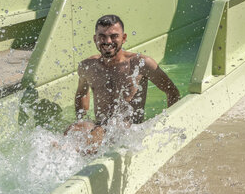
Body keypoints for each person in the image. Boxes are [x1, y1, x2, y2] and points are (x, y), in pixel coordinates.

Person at [65, 13, 182, 153]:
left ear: (124, 38)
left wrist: (171, 126)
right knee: (73, 130)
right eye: (102, 36)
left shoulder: (141, 64)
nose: (108, 41)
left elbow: (172, 91)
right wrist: (80, 119)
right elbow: (82, 93)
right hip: (100, 128)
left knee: (98, 133)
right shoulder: (87, 66)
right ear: (95, 39)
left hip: (129, 131)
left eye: (114, 36)